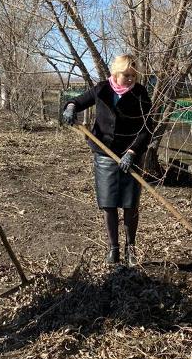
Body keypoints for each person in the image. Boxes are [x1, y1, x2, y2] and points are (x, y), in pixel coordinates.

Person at [62, 54, 153, 266]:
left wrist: (132, 152)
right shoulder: (102, 89)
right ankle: (114, 249)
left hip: (131, 155)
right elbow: (78, 101)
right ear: (115, 73)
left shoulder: (140, 94)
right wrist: (70, 108)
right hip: (104, 155)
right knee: (108, 204)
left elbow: (147, 127)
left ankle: (131, 249)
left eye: (133, 75)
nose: (130, 79)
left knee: (130, 205)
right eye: (126, 75)